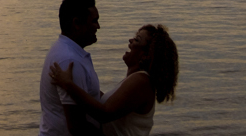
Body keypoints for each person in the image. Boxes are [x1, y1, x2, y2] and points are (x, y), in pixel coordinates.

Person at [50, 24, 179, 136]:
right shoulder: (135, 80)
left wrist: (69, 85)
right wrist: (82, 82)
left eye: (137, 40)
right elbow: (104, 102)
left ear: (145, 55)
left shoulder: (142, 81)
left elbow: (104, 114)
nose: (130, 40)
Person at [40, 0, 102, 136]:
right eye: (94, 21)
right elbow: (76, 126)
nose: (98, 26)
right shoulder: (69, 60)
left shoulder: (66, 51)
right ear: (76, 23)